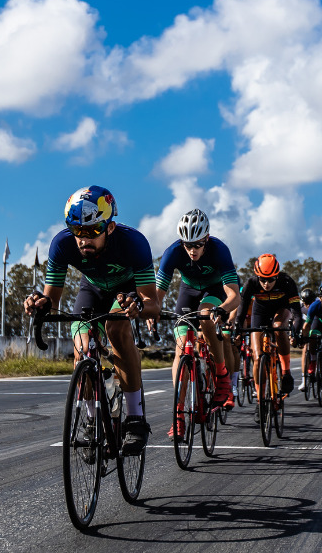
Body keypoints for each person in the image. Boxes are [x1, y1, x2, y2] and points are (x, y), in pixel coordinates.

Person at [24, 186, 158, 454]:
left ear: (110, 227)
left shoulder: (134, 243)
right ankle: (90, 418)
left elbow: (152, 303)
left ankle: (135, 418)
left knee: (116, 327)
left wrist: (139, 307)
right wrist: (40, 304)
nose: (83, 239)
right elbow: (53, 300)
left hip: (127, 291)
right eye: (77, 231)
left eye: (92, 231)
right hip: (93, 289)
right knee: (82, 347)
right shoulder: (61, 244)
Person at [154, 209, 241, 433]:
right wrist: (151, 313)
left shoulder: (220, 250)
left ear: (207, 239)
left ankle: (222, 376)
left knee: (205, 314)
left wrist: (221, 310)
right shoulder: (172, 252)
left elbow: (234, 295)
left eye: (197, 245)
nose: (192, 251)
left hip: (214, 290)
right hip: (188, 290)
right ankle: (179, 414)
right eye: (187, 245)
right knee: (181, 348)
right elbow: (157, 295)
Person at [232, 254, 303, 418]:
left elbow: (297, 313)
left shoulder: (286, 282)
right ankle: (260, 401)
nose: (266, 283)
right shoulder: (252, 283)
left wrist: (295, 331)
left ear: (276, 275)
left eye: (270, 279)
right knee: (257, 358)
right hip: (260, 311)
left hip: (281, 309)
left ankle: (286, 372)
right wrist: (237, 330)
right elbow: (241, 312)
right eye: (262, 279)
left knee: (278, 327)